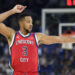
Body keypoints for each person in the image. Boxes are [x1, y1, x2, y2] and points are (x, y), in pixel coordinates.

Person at [0, 5, 75, 75]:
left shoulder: (37, 37)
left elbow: (58, 39)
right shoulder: (12, 35)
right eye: (28, 22)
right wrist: (12, 11)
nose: (31, 24)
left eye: (31, 22)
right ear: (21, 23)